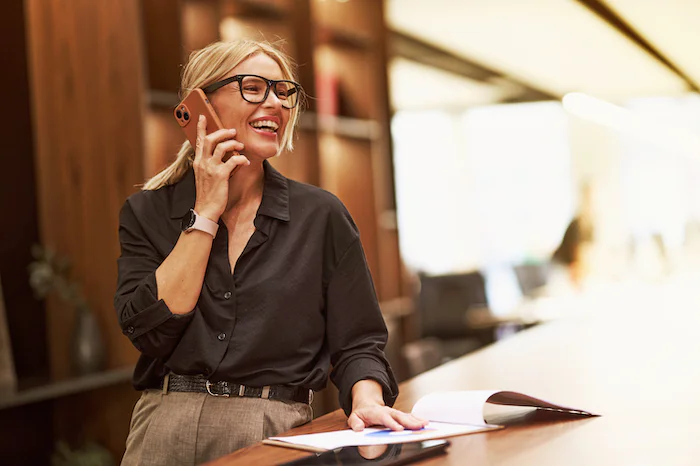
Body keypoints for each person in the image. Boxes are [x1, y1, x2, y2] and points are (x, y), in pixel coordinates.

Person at [114, 40, 426, 465]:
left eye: (283, 92)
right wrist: (205, 213)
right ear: (199, 104)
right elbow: (150, 331)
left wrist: (366, 398)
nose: (276, 103)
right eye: (254, 87)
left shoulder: (320, 215)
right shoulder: (147, 211)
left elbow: (358, 342)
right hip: (163, 425)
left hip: (271, 426)